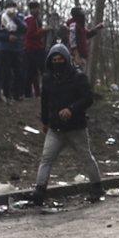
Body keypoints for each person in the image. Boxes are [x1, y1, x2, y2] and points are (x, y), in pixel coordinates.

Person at [32, 44, 103, 205]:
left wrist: (72, 109)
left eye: (60, 59)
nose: (57, 63)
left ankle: (97, 186)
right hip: (55, 128)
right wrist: (45, 121)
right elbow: (45, 102)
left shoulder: (78, 77)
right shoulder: (48, 79)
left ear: (66, 60)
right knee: (46, 159)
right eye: (54, 60)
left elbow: (88, 98)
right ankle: (39, 190)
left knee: (86, 157)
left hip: (76, 127)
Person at [0, 0, 25, 101]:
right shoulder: (0, 17)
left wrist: (15, 18)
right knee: (6, 73)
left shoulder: (19, 17)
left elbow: (24, 28)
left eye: (13, 7)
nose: (11, 9)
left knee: (18, 72)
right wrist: (7, 37)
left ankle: (17, 94)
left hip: (17, 49)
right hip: (4, 49)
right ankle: (6, 94)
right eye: (9, 7)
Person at [23, 1, 47, 98]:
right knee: (31, 71)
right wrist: (43, 31)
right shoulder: (30, 20)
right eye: (35, 8)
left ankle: (38, 92)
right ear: (31, 9)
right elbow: (30, 34)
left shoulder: (37, 20)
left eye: (38, 8)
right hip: (32, 49)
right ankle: (28, 93)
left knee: (35, 71)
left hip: (37, 48)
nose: (37, 10)